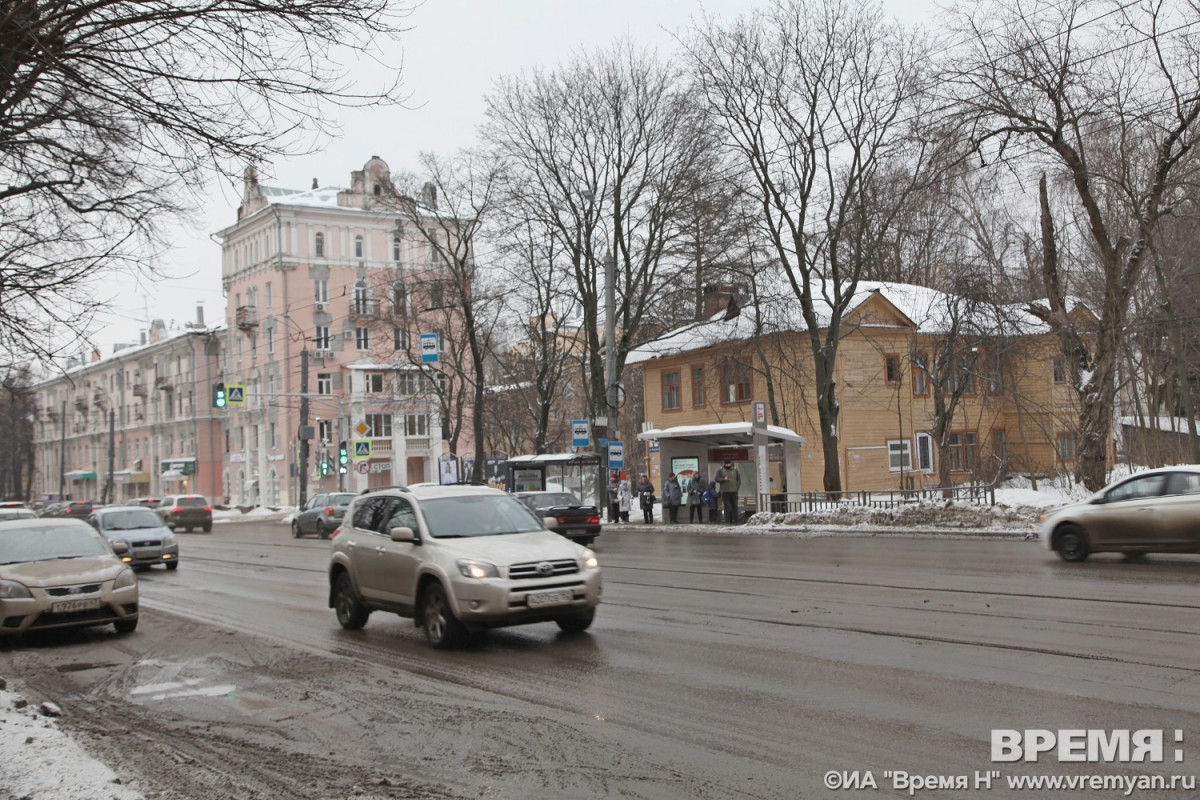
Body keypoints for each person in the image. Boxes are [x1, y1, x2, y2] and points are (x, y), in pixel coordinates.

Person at [715, 458, 741, 524]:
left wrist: (737, 487)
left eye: (728, 463)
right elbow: (716, 479)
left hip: (734, 491)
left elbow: (739, 479)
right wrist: (723, 479)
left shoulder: (735, 470)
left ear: (730, 463)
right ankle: (727, 521)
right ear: (724, 463)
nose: (727, 465)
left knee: (735, 506)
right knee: (727, 506)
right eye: (726, 463)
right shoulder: (720, 470)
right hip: (725, 491)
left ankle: (736, 521)